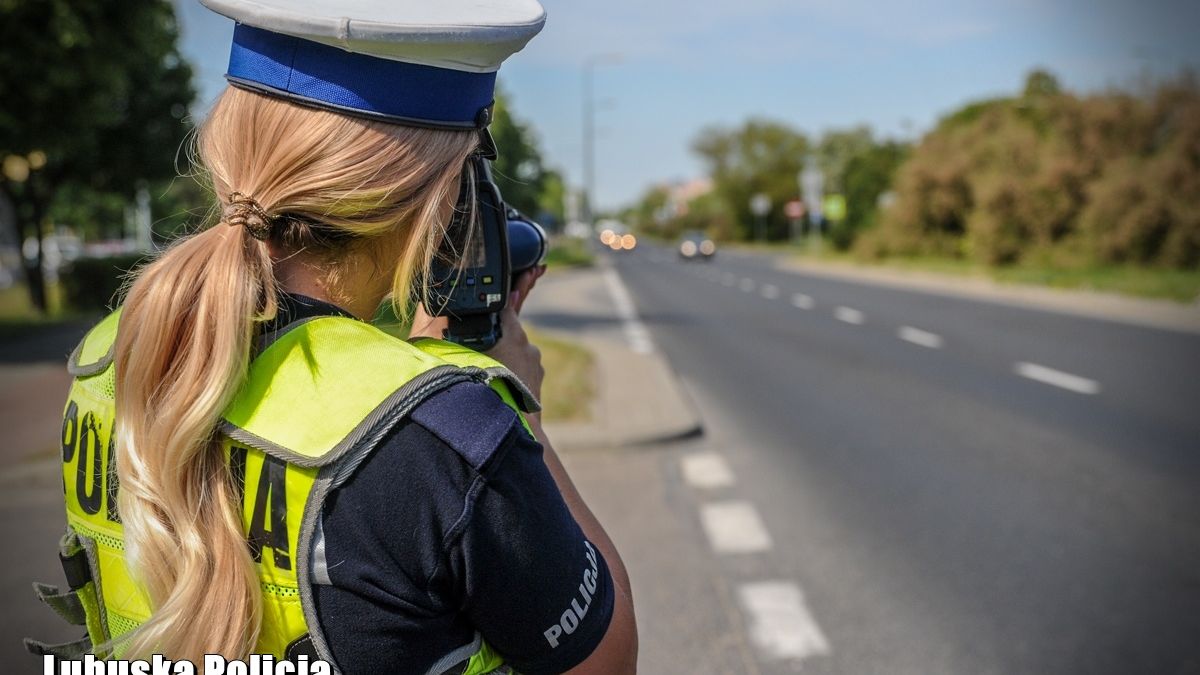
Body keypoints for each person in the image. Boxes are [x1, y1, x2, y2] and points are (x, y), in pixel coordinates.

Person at [32, 1, 638, 673]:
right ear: (435, 196)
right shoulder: (447, 437)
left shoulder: (116, 357)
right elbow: (605, 658)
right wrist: (520, 413)